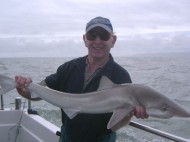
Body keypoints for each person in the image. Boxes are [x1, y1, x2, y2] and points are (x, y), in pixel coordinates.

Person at [15, 16, 148, 142]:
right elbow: (38, 94)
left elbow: (114, 127)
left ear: (112, 40)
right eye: (92, 35)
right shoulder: (68, 68)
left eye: (104, 35)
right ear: (85, 39)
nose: (97, 41)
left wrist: (129, 113)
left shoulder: (121, 76)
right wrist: (22, 88)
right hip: (68, 137)